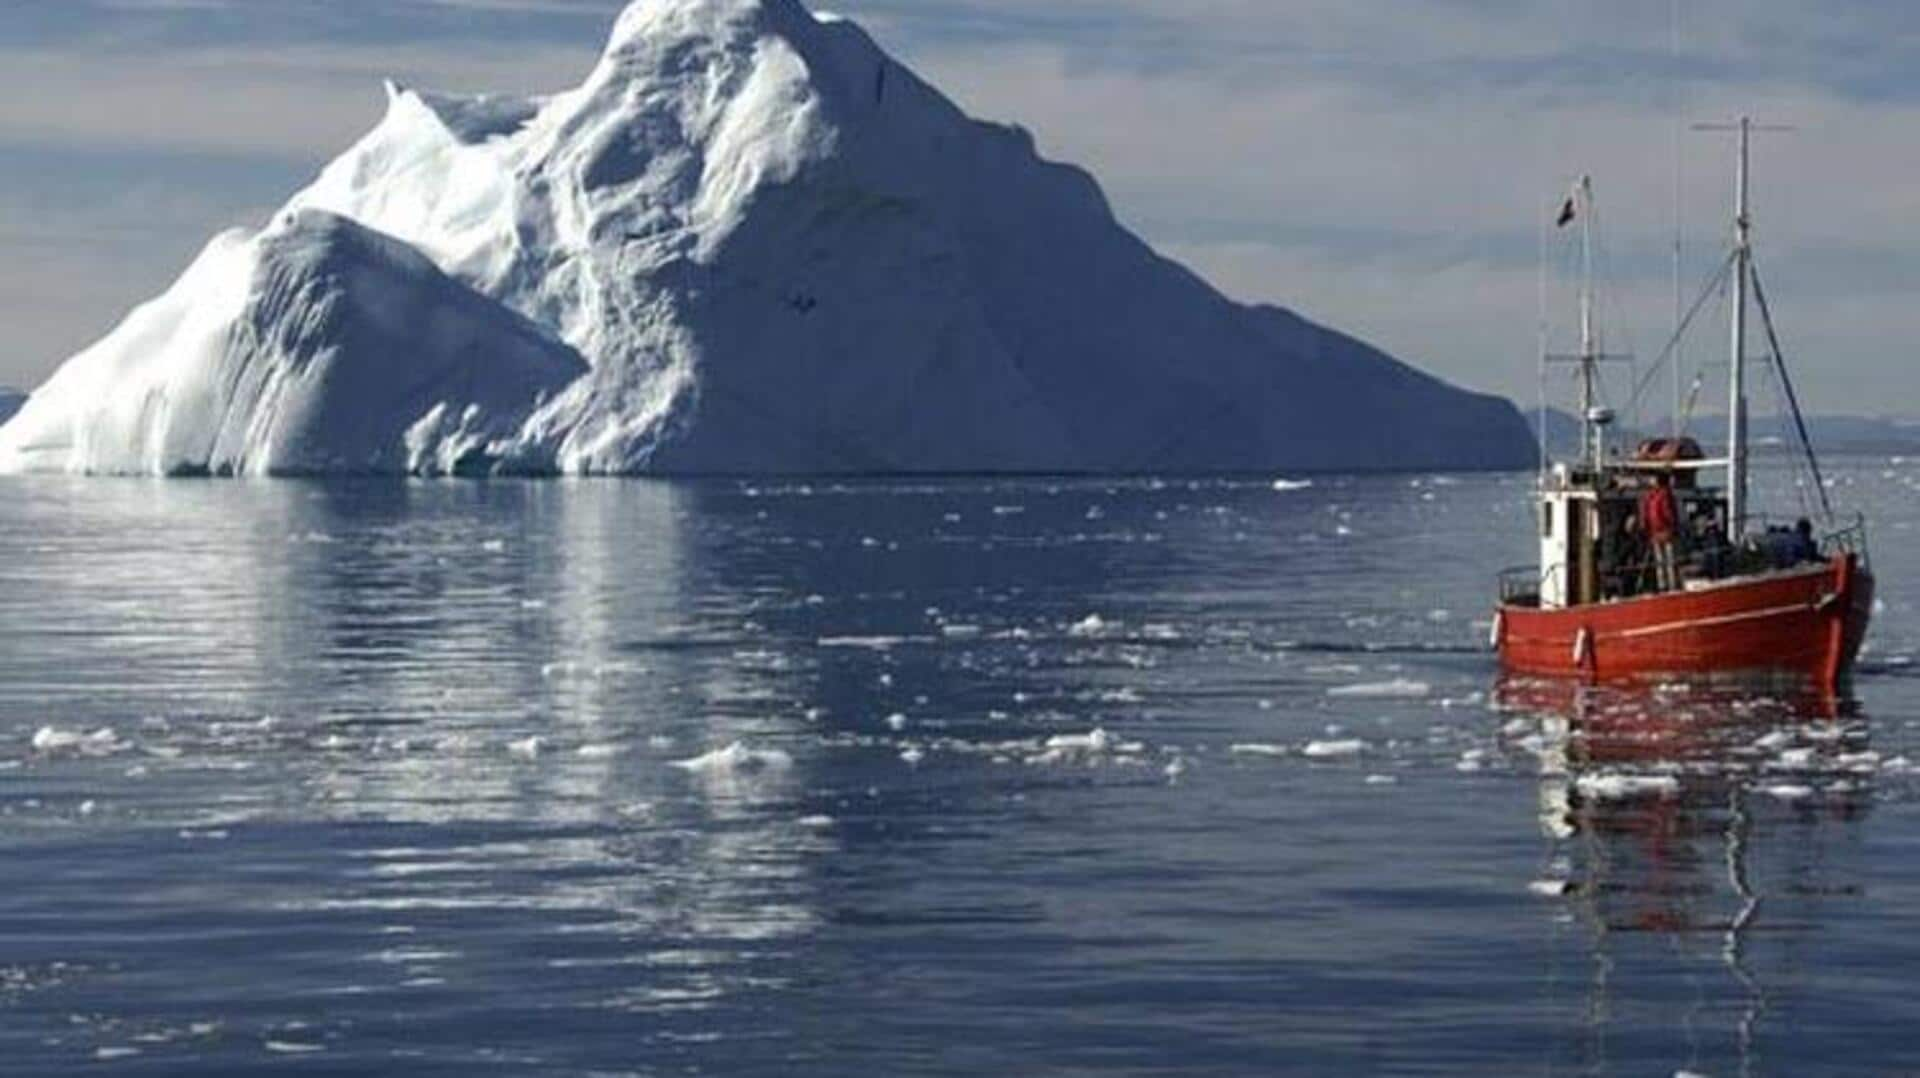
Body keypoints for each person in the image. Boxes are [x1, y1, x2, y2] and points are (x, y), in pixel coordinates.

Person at [1639, 474, 1679, 592]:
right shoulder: (1658, 495)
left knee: (1665, 561)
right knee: (1664, 561)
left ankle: (1668, 585)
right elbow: (1668, 512)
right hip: (1659, 531)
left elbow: (1666, 512)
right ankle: (1667, 585)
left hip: (1659, 532)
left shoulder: (1655, 496)